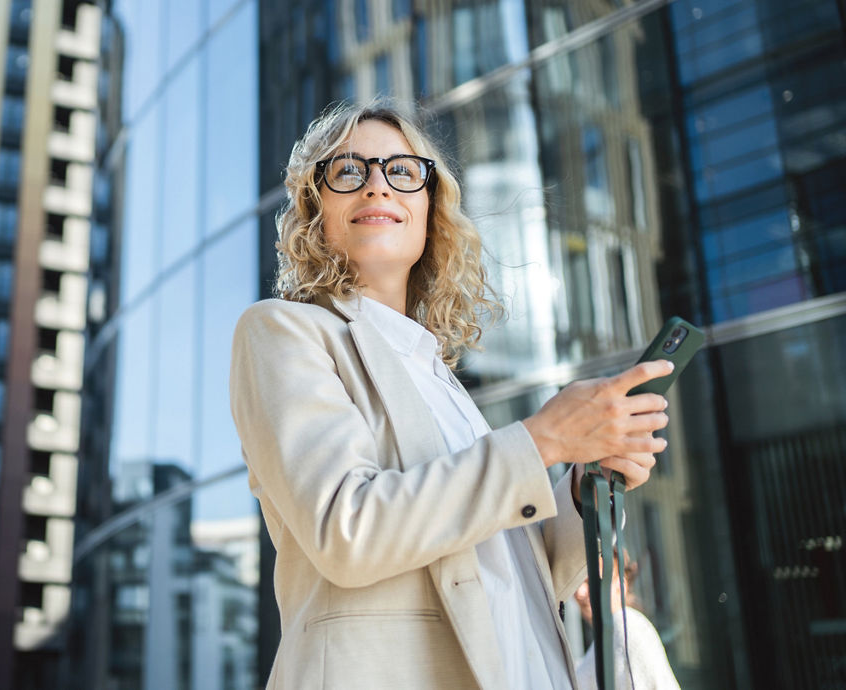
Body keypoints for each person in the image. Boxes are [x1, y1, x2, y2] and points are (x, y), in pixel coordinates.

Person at [229, 99, 674, 689]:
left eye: (403, 171)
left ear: (429, 207)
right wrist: (543, 440)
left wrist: (581, 475)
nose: (376, 187)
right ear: (316, 208)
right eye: (347, 171)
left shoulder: (437, 377)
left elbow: (509, 563)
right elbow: (348, 528)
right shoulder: (283, 332)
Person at [574, 556, 681, 690]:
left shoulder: (625, 627)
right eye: (576, 583)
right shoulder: (609, 635)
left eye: (592, 582)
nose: (579, 592)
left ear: (620, 585)